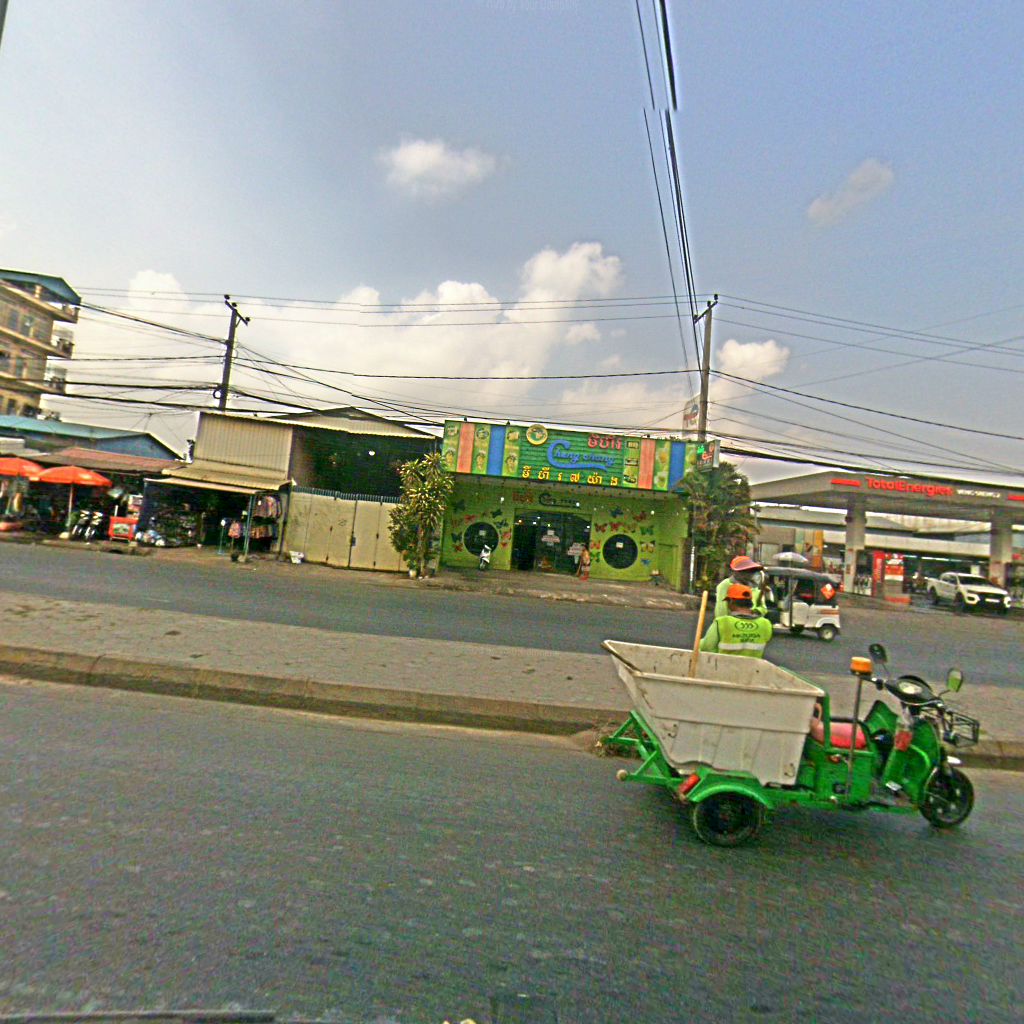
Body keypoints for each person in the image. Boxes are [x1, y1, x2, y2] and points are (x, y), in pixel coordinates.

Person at [700, 584, 773, 658]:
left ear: (731, 601)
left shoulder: (722, 622)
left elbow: (707, 647)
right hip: (754, 665)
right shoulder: (765, 624)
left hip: (725, 664)